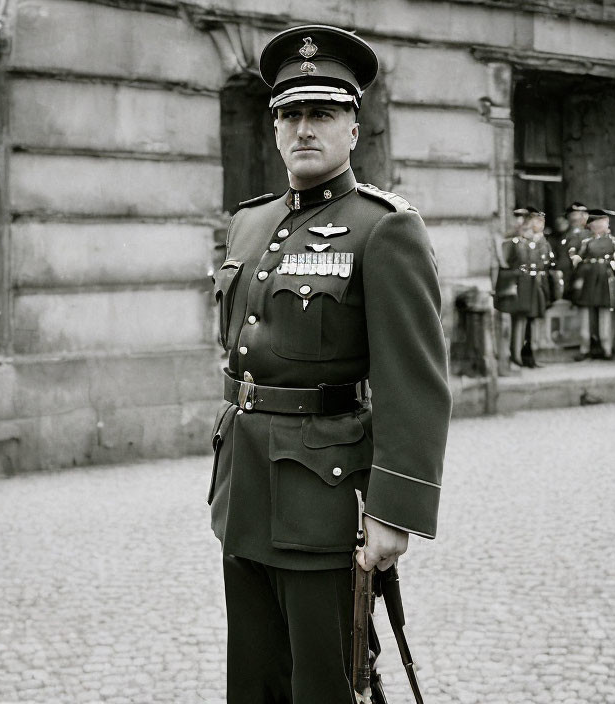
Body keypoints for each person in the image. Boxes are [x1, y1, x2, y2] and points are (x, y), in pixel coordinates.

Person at [207, 24, 452, 704]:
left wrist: (393, 510)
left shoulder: (386, 226)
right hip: (245, 490)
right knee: (253, 684)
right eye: (290, 114)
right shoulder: (249, 223)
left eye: (322, 113)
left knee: (324, 686)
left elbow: (415, 380)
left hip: (322, 497)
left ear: (353, 124)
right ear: (275, 127)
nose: (303, 128)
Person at [496, 207, 555, 367]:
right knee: (519, 320)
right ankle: (516, 355)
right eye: (525, 227)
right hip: (519, 285)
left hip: (533, 284)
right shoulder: (514, 243)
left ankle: (528, 355)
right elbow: (504, 264)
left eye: (529, 227)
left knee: (531, 320)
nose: (528, 231)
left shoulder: (535, 244)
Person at [571, 208, 615, 360]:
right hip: (588, 279)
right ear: (590, 225)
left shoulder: (613, 241)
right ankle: (584, 347)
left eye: (602, 222)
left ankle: (607, 348)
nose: (598, 226)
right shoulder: (585, 242)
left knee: (606, 312)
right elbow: (577, 260)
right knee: (585, 313)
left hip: (605, 277)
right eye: (595, 223)